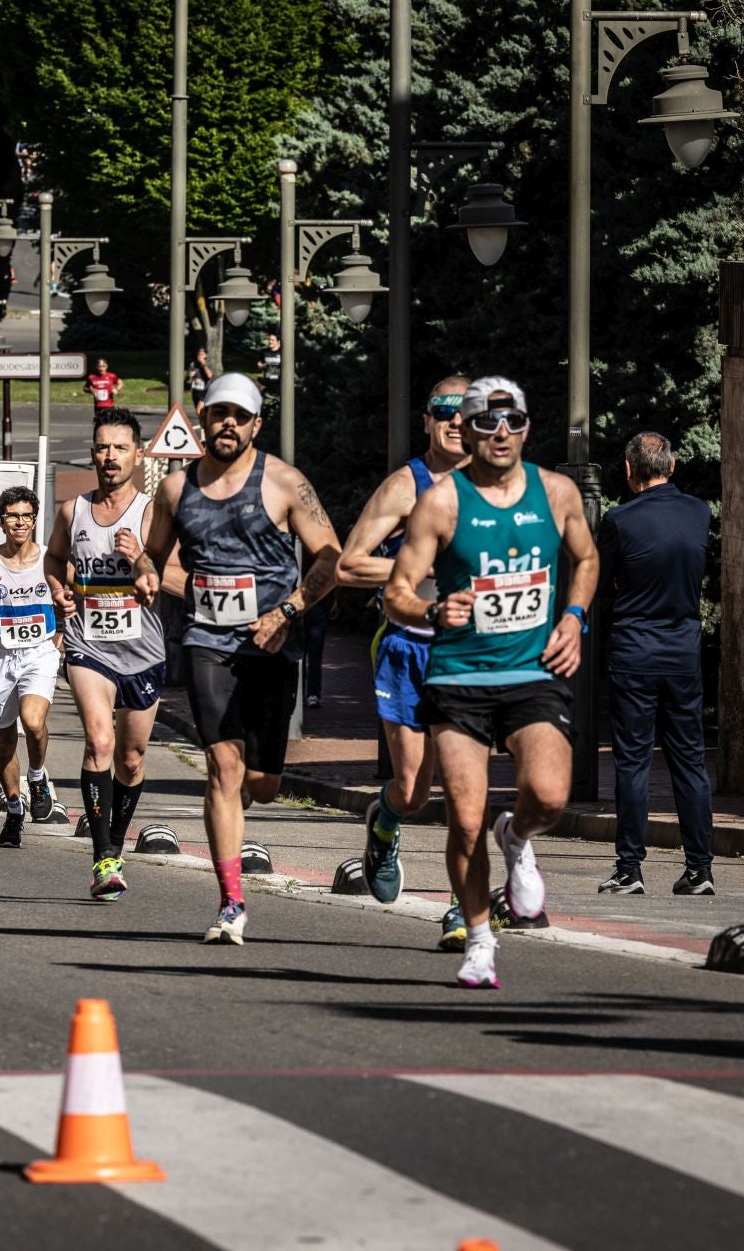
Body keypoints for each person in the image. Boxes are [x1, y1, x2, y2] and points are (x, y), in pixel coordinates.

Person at [384, 376, 599, 989]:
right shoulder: (442, 502)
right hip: (458, 676)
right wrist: (429, 611)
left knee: (550, 796)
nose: (500, 434)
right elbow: (398, 590)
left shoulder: (555, 493)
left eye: (512, 422)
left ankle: (520, 835)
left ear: (527, 428)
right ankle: (479, 940)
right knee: (466, 819)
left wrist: (575, 618)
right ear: (469, 431)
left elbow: (586, 558)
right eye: (485, 422)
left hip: (533, 671)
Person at [150, 373, 342, 944]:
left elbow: (331, 557)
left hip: (272, 644)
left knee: (263, 783)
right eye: (219, 413)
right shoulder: (175, 489)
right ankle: (231, 901)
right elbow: (153, 558)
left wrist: (288, 612)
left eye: (240, 415)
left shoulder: (284, 482)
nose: (228, 424)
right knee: (223, 770)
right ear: (203, 418)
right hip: (208, 642)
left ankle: (246, 814)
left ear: (257, 424)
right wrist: (144, 576)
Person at [335, 376, 471, 923]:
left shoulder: (498, 489)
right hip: (406, 647)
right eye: (445, 411)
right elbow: (348, 564)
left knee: (467, 785)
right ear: (427, 421)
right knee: (415, 790)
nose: (456, 421)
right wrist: (416, 567)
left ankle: (467, 905)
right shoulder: (404, 486)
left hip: (469, 652)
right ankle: (385, 823)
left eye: (469, 412)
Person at [47, 409, 165, 901]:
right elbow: (54, 557)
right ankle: (103, 858)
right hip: (87, 643)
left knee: (132, 759)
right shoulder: (72, 511)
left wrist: (140, 555)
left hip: (143, 650)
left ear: (137, 455)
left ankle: (116, 841)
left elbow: (171, 575)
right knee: (99, 741)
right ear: (92, 453)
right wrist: (58, 589)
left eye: (119, 448)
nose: (110, 457)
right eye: (102, 447)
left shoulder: (152, 513)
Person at [597, 431, 716, 897]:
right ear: (673, 466)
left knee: (633, 762)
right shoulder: (698, 512)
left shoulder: (620, 520)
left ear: (629, 471)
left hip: (634, 652)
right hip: (683, 652)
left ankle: (630, 869)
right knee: (690, 761)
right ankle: (700, 869)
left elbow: (601, 584)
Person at [0, 486, 61, 847]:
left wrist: (65, 634)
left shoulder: (51, 559)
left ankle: (37, 778)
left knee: (34, 722)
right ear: (1, 520)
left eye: (26, 516)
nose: (19, 523)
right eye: (12, 516)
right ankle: (14, 810)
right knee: (4, 745)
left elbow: (68, 600)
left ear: (34, 520)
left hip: (39, 652)